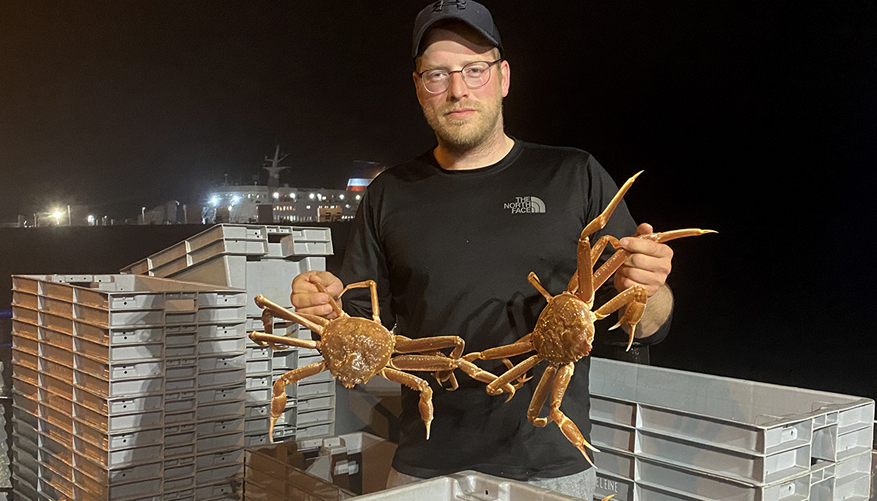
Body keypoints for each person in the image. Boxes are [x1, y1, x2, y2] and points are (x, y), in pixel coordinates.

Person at [287, 1, 681, 498]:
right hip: (423, 467)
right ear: (419, 88)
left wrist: (647, 287)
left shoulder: (573, 175)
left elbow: (649, 325)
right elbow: (362, 325)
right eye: (437, 75)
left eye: (475, 69)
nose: (458, 89)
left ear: (504, 77)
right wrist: (324, 308)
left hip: (551, 467)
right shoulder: (389, 193)